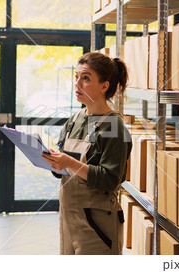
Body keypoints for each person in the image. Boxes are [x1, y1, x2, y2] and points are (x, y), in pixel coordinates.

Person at [42, 52, 132, 255]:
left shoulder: (113, 125)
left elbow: (110, 180)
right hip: (68, 218)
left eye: (86, 78)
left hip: (97, 224)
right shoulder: (75, 119)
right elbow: (63, 168)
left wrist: (70, 163)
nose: (77, 84)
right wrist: (54, 161)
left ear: (104, 86)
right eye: (76, 77)